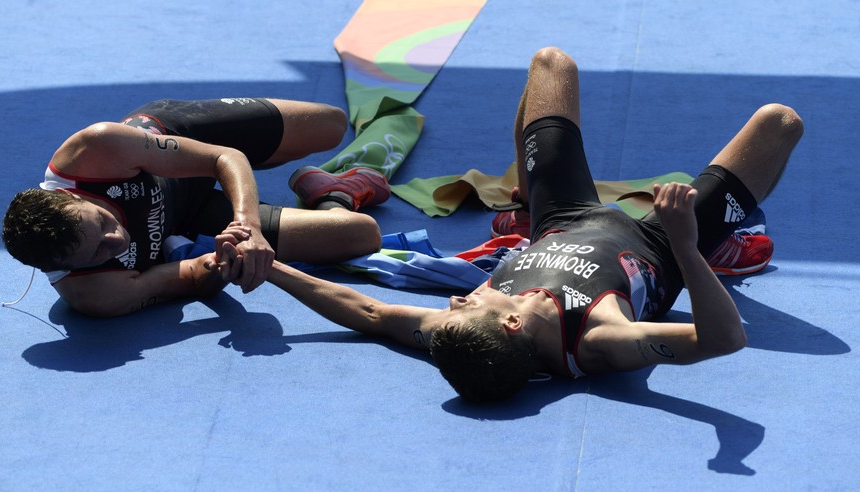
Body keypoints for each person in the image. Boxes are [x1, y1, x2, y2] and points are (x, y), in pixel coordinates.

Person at [210, 46, 803, 402]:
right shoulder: (599, 344)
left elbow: (364, 310)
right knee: (780, 122)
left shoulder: (467, 338)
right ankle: (719, 241)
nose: (452, 304)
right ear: (514, 322)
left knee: (551, 64)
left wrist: (268, 263)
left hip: (557, 218)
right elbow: (725, 340)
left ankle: (524, 186)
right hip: (662, 243)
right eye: (466, 306)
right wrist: (686, 243)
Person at [2, 97, 392, 317]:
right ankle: (330, 190)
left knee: (331, 124)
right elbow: (190, 275)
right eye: (99, 252)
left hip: (185, 140)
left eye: (102, 222)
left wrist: (248, 225)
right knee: (358, 234)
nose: (116, 240)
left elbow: (224, 158)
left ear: (73, 196)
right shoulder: (94, 293)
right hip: (188, 220)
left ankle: (269, 158)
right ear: (67, 269)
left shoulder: (97, 149)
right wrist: (222, 262)